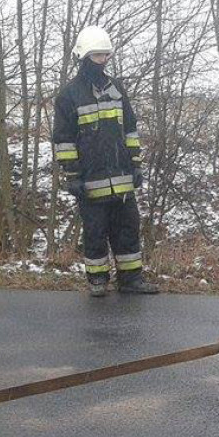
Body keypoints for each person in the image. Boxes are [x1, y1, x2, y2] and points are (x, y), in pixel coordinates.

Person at [53, 26, 159, 297]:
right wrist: (72, 175)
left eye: (104, 55)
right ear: (84, 56)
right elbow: (64, 140)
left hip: (122, 178)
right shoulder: (69, 95)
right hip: (91, 180)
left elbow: (131, 130)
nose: (101, 60)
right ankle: (98, 280)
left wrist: (136, 164)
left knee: (127, 230)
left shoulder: (117, 89)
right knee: (95, 232)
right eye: (96, 55)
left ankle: (131, 279)